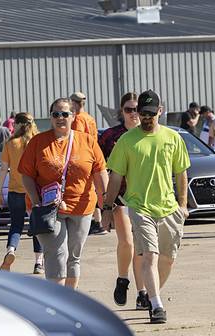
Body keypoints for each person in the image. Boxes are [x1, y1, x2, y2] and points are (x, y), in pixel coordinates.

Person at [102, 90, 191, 324]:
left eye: (151, 113)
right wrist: (107, 207)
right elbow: (115, 178)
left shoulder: (173, 138)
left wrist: (182, 205)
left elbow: (181, 173)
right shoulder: (127, 141)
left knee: (167, 259)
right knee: (149, 255)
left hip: (169, 208)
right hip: (140, 208)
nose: (147, 118)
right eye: (143, 114)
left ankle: (153, 295)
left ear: (160, 111)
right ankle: (157, 306)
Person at [18, 98, 108, 290]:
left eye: (65, 114)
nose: (60, 118)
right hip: (49, 208)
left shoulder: (87, 141)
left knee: (74, 257)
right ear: (50, 117)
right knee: (57, 255)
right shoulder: (38, 142)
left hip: (82, 207)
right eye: (56, 114)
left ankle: (70, 301)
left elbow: (100, 172)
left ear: (73, 116)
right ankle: (57, 303)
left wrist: (106, 206)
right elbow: (26, 175)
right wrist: (35, 201)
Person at [99, 92, 147, 309]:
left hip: (144, 197)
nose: (134, 113)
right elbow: (98, 168)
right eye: (129, 109)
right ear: (122, 111)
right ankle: (122, 278)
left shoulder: (147, 134)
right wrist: (104, 201)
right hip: (119, 197)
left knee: (142, 247)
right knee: (127, 241)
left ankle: (143, 292)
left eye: (137, 109)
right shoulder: (110, 136)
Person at [0, 112, 44, 274]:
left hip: (15, 191)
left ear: (17, 125)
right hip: (33, 192)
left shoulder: (10, 143)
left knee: (16, 225)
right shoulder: (37, 142)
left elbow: (4, 169)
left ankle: (11, 250)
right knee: (36, 227)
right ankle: (38, 262)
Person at [70, 91, 105, 235]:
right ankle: (98, 221)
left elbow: (76, 139)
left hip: (82, 156)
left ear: (73, 103)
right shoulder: (90, 118)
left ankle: (92, 220)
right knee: (93, 188)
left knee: (85, 189)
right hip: (93, 153)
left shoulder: (77, 119)